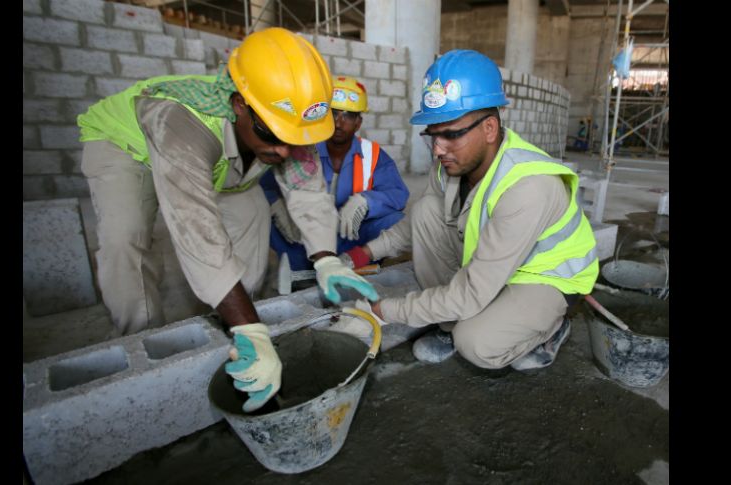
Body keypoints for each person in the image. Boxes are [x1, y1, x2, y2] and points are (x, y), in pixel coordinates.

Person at [77, 28, 377, 412]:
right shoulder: (182, 120)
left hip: (223, 160)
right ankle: (142, 346)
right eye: (273, 133)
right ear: (239, 105)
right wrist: (252, 326)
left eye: (295, 138)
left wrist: (326, 257)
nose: (285, 149)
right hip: (127, 147)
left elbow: (307, 190)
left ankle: (233, 325)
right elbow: (194, 227)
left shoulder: (284, 120)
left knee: (251, 214)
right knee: (126, 238)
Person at [344, 50, 599, 370]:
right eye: (433, 136)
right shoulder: (452, 163)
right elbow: (414, 226)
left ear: (490, 128)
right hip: (498, 263)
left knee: (476, 343)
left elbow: (473, 291)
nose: (438, 149)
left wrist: (380, 312)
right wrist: (362, 254)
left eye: (451, 134)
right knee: (427, 211)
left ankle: (550, 328)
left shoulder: (528, 186)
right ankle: (450, 324)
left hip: (543, 276)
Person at [259, 75, 409, 272]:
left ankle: (362, 263)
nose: (338, 123)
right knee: (261, 215)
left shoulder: (373, 154)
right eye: (333, 113)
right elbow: (266, 184)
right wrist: (276, 204)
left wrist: (367, 202)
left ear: (358, 123)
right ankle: (301, 273)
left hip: (352, 236)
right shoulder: (303, 149)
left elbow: (398, 193)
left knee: (395, 220)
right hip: (305, 237)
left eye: (347, 115)